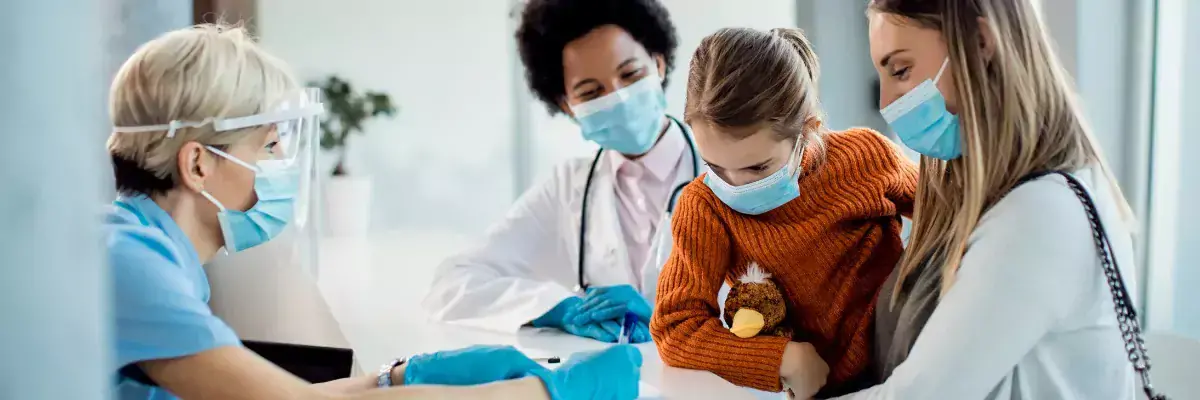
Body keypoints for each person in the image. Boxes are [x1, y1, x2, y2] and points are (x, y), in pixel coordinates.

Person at [105, 23, 640, 400]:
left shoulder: (149, 252)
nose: (282, 167)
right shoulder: (134, 269)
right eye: (268, 148)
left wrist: (401, 376)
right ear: (197, 164)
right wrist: (546, 392)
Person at [795, 0, 1144, 398]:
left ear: (979, 42)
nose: (886, 104)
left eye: (901, 71)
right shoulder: (981, 202)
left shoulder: (1041, 214)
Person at [649, 27, 918, 398]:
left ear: (808, 130)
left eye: (757, 168)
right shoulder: (705, 207)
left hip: (911, 363)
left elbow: (958, 217)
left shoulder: (865, 156)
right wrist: (784, 360)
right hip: (820, 388)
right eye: (714, 166)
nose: (735, 184)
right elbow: (675, 326)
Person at [424, 0, 700, 343]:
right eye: (591, 91)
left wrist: (662, 311)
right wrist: (559, 308)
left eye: (630, 74)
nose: (620, 98)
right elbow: (452, 285)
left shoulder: (732, 169)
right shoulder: (568, 188)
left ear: (659, 64)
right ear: (567, 105)